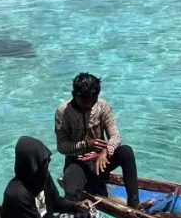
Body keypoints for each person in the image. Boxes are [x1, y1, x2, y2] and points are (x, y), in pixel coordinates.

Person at [55, 72, 141, 208]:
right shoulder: (63, 112)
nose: (89, 105)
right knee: (71, 196)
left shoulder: (103, 106)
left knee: (126, 151)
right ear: (74, 95)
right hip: (77, 162)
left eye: (93, 100)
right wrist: (85, 145)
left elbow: (116, 136)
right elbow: (61, 146)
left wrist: (106, 151)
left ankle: (134, 203)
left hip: (100, 162)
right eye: (84, 102)